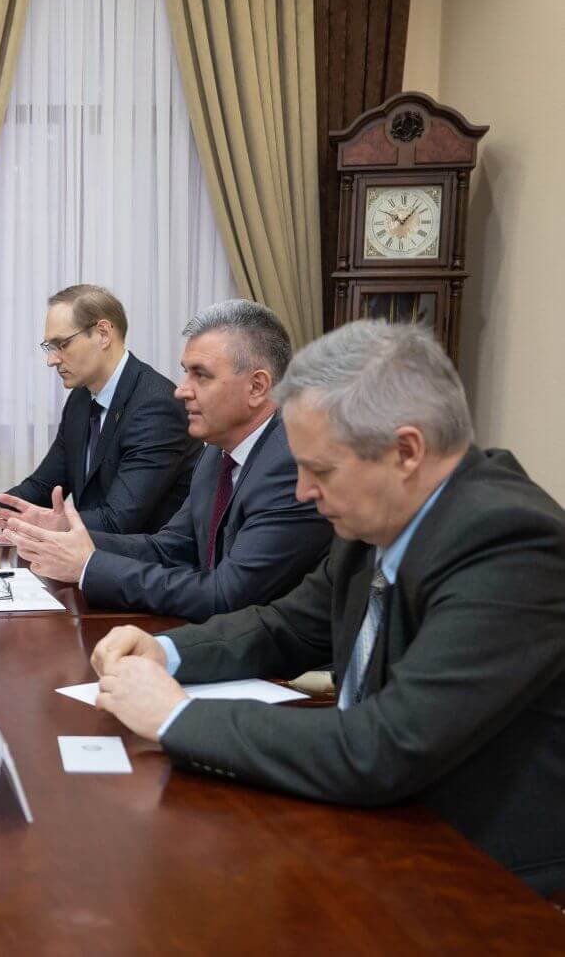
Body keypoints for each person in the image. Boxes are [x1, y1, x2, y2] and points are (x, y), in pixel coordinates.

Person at [89, 320, 565, 897]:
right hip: (380, 826)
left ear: (406, 451)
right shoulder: (379, 514)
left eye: (321, 470)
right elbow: (286, 626)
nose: (303, 493)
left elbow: (383, 747)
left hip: (482, 877)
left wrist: (176, 718)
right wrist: (164, 651)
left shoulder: (511, 544)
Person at [0, 300, 331, 621]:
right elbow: (169, 548)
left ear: (257, 387)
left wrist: (88, 567)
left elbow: (226, 595)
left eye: (201, 375)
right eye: (185, 373)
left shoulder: (292, 466)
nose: (181, 390)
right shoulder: (216, 452)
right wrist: (71, 534)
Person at [0, 284, 199, 536]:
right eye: (50, 347)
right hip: (90, 556)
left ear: (103, 334)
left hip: (141, 560)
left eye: (62, 344)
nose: (51, 360)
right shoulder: (81, 398)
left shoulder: (156, 406)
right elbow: (44, 485)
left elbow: (118, 521)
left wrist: (5, 522)